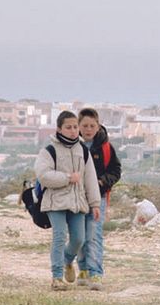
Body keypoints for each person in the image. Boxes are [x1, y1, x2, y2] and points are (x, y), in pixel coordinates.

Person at [35, 110, 100, 291]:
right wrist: (66, 178)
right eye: (68, 127)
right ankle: (57, 276)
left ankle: (66, 260)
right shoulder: (49, 151)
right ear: (59, 129)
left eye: (74, 127)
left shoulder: (83, 151)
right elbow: (43, 175)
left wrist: (94, 204)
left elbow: (90, 179)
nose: (72, 131)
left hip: (77, 202)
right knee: (59, 236)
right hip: (55, 202)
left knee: (79, 239)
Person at [75, 107, 121, 290]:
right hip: (76, 197)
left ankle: (95, 273)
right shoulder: (72, 145)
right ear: (78, 126)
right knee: (79, 235)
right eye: (84, 125)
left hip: (98, 198)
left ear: (98, 125)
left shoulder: (106, 147)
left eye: (91, 125)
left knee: (94, 234)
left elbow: (116, 171)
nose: (88, 129)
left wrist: (102, 182)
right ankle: (83, 269)